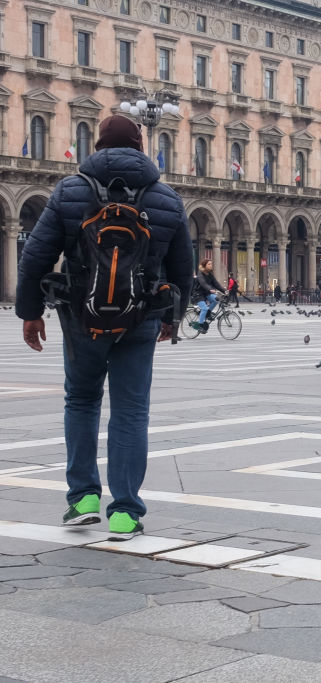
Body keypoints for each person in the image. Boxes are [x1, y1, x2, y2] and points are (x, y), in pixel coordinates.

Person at [16, 114, 193, 540]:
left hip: (81, 316)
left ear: (98, 145)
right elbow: (182, 268)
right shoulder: (165, 198)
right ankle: (125, 512)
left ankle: (83, 499)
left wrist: (30, 311)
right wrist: (173, 316)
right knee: (131, 410)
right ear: (140, 147)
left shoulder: (70, 190)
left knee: (80, 400)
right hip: (141, 317)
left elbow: (36, 256)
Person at [193, 258, 226, 332]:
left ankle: (208, 313)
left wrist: (224, 291)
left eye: (211, 264)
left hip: (206, 293)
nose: (211, 265)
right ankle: (200, 325)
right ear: (204, 265)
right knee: (204, 308)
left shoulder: (210, 274)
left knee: (216, 299)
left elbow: (216, 283)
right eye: (209, 264)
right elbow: (203, 283)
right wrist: (210, 289)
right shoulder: (200, 274)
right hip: (198, 294)